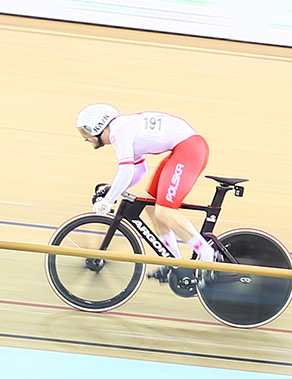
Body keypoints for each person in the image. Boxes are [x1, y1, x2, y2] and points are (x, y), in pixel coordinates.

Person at [75, 104, 218, 268]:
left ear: (98, 127)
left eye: (85, 132)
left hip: (189, 149)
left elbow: (126, 171)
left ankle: (208, 257)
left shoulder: (118, 132)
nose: (85, 138)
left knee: (165, 211)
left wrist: (108, 200)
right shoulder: (122, 128)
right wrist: (112, 190)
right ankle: (174, 264)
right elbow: (139, 171)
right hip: (185, 148)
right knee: (150, 205)